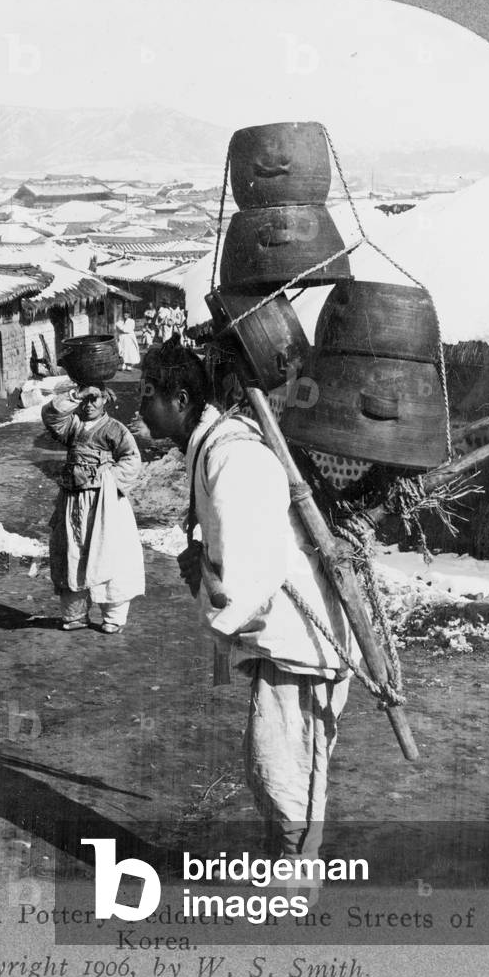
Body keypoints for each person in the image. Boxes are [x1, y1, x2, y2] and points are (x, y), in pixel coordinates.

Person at [138, 338, 352, 869]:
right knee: (278, 774)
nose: (138, 405)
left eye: (147, 393)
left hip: (299, 641)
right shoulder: (212, 448)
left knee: (285, 780)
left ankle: (293, 902)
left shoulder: (232, 456)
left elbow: (257, 571)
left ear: (181, 398)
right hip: (281, 640)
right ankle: (289, 886)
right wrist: (205, 570)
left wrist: (219, 610)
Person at [42, 383, 144, 633]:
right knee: (71, 553)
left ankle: (113, 616)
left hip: (104, 502)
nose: (89, 405)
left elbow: (131, 459)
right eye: (85, 400)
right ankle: (75, 614)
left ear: (105, 400)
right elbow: (51, 416)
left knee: (107, 551)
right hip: (73, 501)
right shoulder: (73, 427)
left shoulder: (115, 429)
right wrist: (73, 395)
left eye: (94, 399)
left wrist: (106, 478)